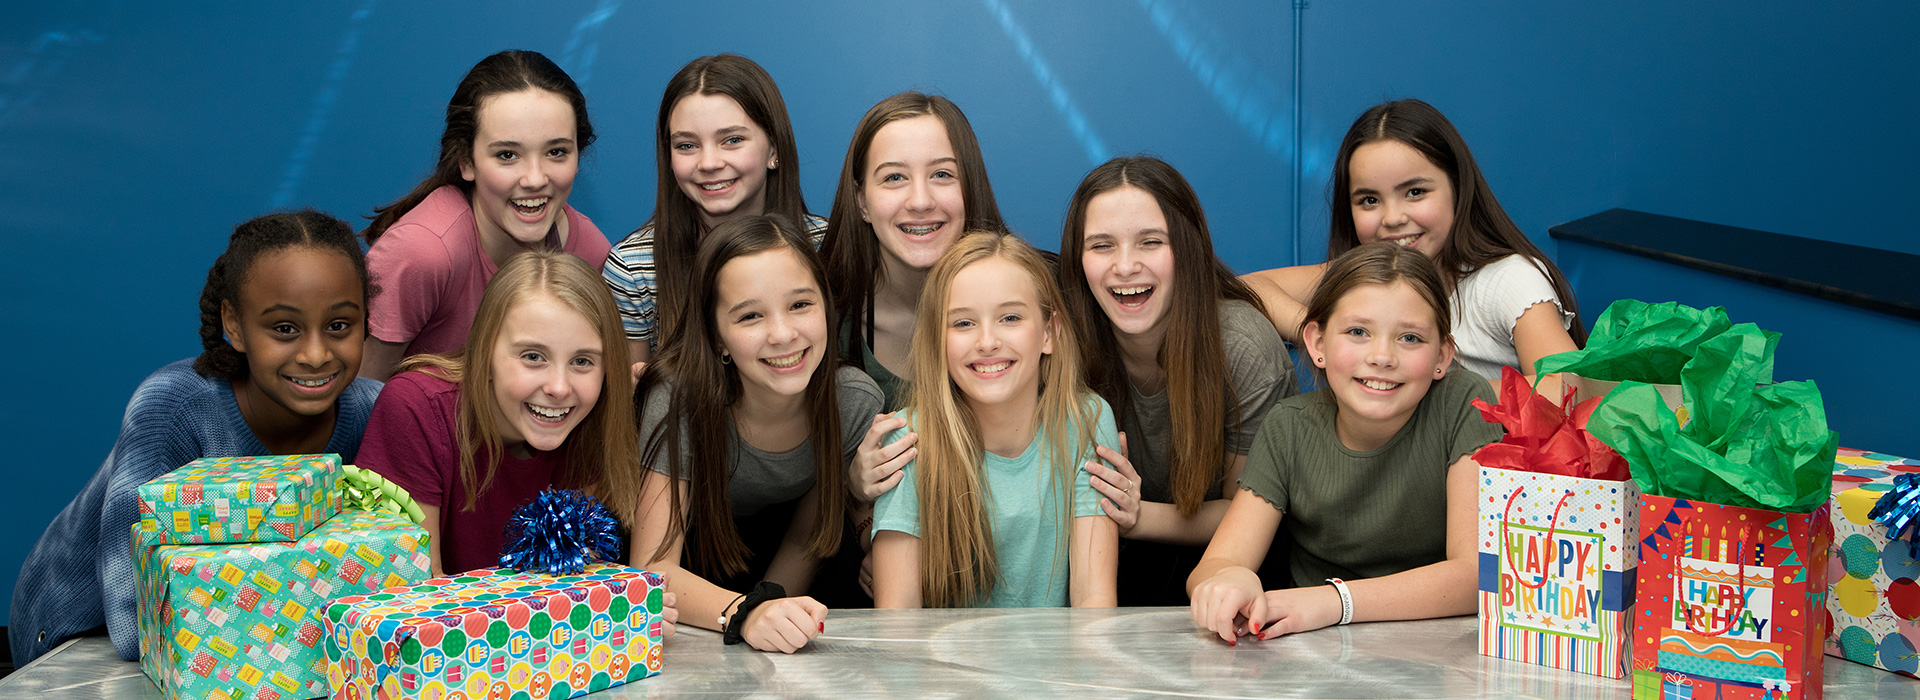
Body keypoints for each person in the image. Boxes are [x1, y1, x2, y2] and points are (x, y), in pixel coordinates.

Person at [10, 210, 383, 665]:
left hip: (257, 648)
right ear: (233, 324)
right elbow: (133, 625)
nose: (315, 354)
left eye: (339, 326)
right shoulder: (173, 409)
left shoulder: (376, 411)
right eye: (284, 329)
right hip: (82, 635)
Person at [1189, 242, 1500, 642]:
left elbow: (1475, 573)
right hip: (1312, 649)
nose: (1382, 356)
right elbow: (1213, 566)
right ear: (1317, 343)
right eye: (1358, 332)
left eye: (1409, 338)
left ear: (1443, 355)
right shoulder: (1289, 428)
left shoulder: (1464, 402)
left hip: (1440, 644)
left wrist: (1335, 603)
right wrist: (1229, 578)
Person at [630, 214, 881, 653]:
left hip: (786, 565)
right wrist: (744, 612)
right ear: (717, 337)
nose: (783, 334)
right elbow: (652, 565)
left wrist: (772, 611)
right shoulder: (677, 398)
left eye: (801, 305)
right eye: (749, 316)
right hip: (692, 573)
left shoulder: (852, 400)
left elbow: (808, 537)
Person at [1057, 156, 1297, 605]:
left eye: (1150, 242)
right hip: (1107, 564)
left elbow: (1249, 512)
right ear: (1078, 259)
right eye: (1102, 245)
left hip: (1233, 576)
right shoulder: (1059, 340)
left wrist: (1137, 515)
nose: (1125, 266)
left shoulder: (1242, 347)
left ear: (1186, 248)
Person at [1241, 98, 1582, 391]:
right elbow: (1247, 287)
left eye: (1415, 192)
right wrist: (1324, 334)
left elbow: (1563, 387)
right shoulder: (1360, 283)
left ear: (1458, 189)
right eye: (1369, 200)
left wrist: (1424, 388)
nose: (1392, 218)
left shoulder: (1507, 279)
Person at [870, 231, 1119, 608]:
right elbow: (897, 620)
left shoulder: (1087, 421)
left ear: (1049, 333)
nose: (987, 342)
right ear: (937, 340)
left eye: (1010, 317)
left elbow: (1094, 603)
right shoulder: (907, 440)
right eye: (963, 323)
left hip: (1061, 666)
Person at [356, 250, 639, 578]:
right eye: (533, 356)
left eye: (582, 361)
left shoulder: (594, 421)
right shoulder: (415, 409)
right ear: (484, 351)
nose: (560, 388)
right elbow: (413, 591)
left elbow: (573, 583)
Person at [361, 50, 611, 379]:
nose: (535, 179)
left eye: (556, 152)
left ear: (579, 155)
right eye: (507, 154)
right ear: (466, 161)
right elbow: (363, 398)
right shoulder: (423, 253)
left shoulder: (588, 251)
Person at [604, 54, 821, 364]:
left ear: (773, 148)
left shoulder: (824, 246)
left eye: (732, 140)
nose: (708, 163)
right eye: (686, 145)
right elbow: (631, 398)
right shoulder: (633, 269)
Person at [819, 92, 1004, 410]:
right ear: (862, 202)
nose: (920, 201)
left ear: (970, 188)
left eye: (942, 175)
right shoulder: (819, 324)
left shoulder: (1035, 306)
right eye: (894, 177)